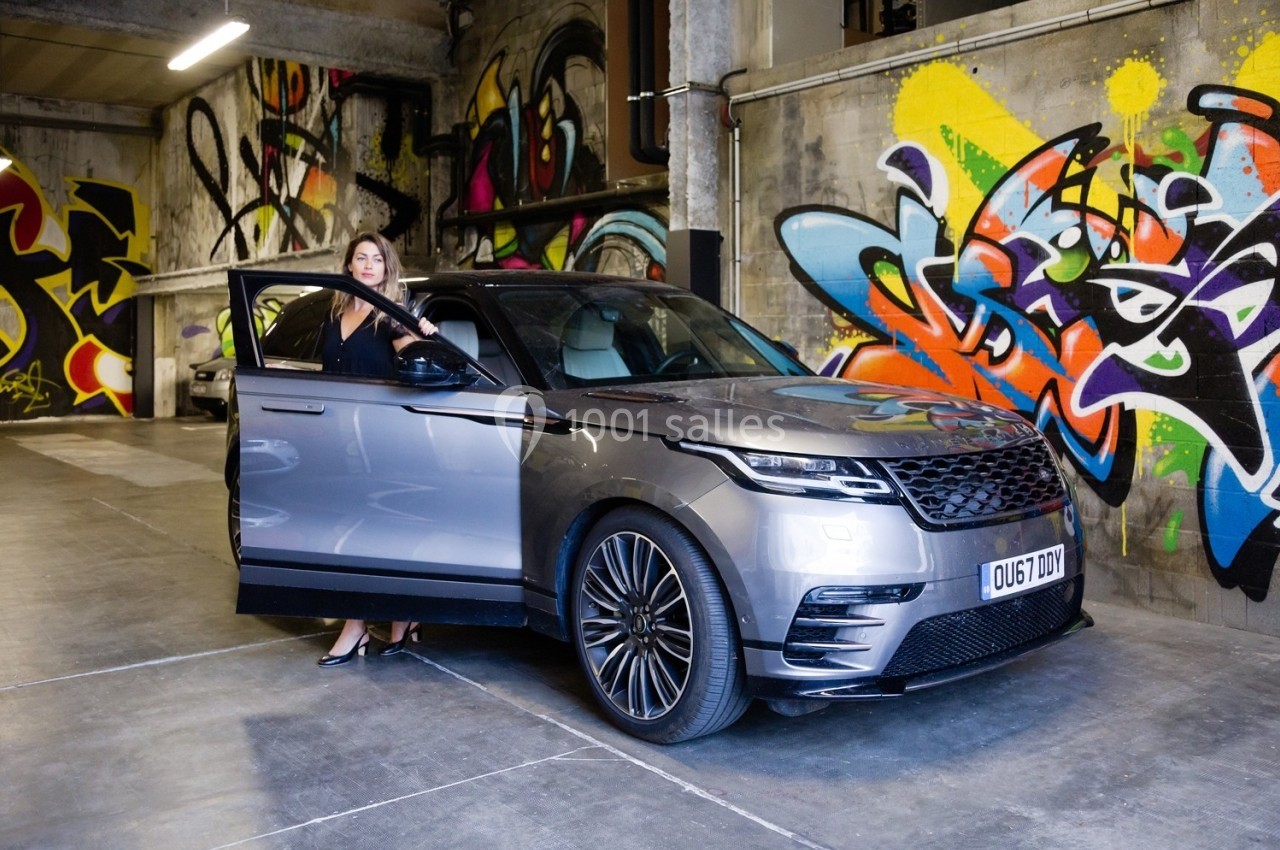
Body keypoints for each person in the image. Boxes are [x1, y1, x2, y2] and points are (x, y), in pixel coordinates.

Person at [317, 230, 437, 667]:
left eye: (377, 259)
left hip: (381, 439)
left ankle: (356, 627)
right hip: (339, 440)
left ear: (387, 269)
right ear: (348, 265)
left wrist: (422, 334)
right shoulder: (333, 315)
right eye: (361, 257)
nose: (368, 265)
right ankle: (403, 617)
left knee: (368, 534)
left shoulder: (392, 316)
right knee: (346, 532)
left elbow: (416, 360)